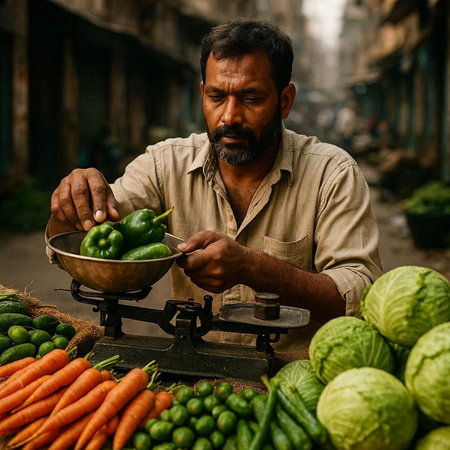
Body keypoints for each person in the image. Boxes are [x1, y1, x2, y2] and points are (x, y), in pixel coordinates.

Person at [47, 19, 382, 355]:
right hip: (191, 376)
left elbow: (359, 293)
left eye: (251, 98)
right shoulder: (164, 164)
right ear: (203, 94)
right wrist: (77, 201)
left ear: (285, 101)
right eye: (217, 97)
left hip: (292, 377)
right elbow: (100, 223)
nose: (230, 116)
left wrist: (255, 268)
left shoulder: (332, 174)